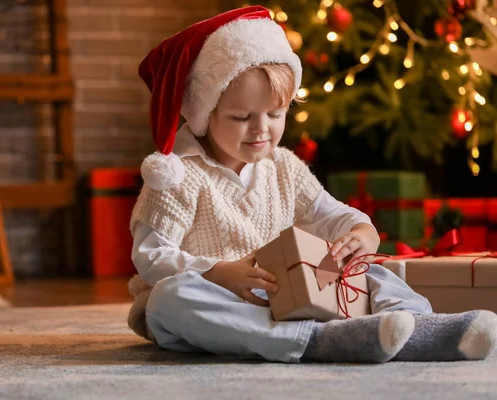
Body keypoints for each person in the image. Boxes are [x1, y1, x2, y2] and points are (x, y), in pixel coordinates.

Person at [126, 6, 497, 363]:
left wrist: (360, 231)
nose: (261, 129)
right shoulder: (177, 176)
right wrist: (217, 272)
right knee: (169, 300)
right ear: (205, 114)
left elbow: (330, 214)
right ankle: (318, 341)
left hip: (284, 293)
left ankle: (422, 330)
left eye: (275, 114)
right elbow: (150, 257)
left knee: (373, 272)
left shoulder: (283, 167)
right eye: (241, 117)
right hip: (216, 299)